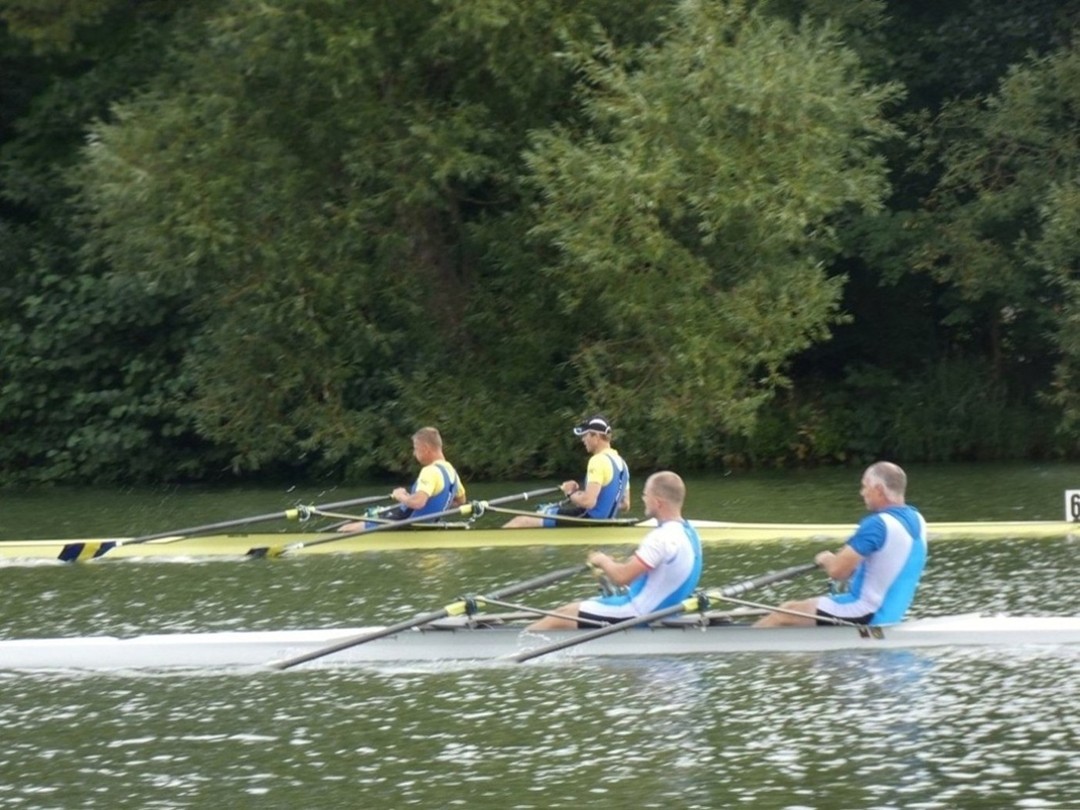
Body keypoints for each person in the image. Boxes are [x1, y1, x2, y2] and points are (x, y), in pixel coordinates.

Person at [754, 461, 927, 627]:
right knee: (791, 610)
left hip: (864, 611)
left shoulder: (877, 525)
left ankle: (748, 644)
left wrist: (827, 559)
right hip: (891, 614)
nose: (862, 492)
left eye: (865, 486)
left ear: (879, 490)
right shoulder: (918, 519)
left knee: (783, 614)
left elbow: (838, 572)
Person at [528, 471, 703, 630]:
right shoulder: (690, 533)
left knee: (562, 615)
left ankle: (521, 644)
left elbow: (621, 578)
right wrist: (612, 567)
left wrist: (602, 560)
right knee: (573, 610)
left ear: (657, 502)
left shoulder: (661, 538)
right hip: (663, 612)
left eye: (645, 495)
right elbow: (651, 578)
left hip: (637, 613)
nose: (643, 499)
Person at [504, 414, 630, 528]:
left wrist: (570, 493)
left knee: (520, 521)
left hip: (587, 520)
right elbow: (625, 504)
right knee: (541, 519)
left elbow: (589, 502)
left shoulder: (598, 460)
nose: (582, 440)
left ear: (596, 436)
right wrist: (580, 495)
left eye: (585, 435)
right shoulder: (623, 464)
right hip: (605, 521)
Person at [338, 427, 466, 531]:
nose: (414, 453)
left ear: (426, 449)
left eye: (416, 448)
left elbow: (418, 503)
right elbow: (461, 501)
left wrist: (401, 496)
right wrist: (428, 504)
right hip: (425, 523)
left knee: (345, 528)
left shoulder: (430, 471)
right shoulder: (452, 472)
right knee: (362, 518)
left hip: (406, 522)